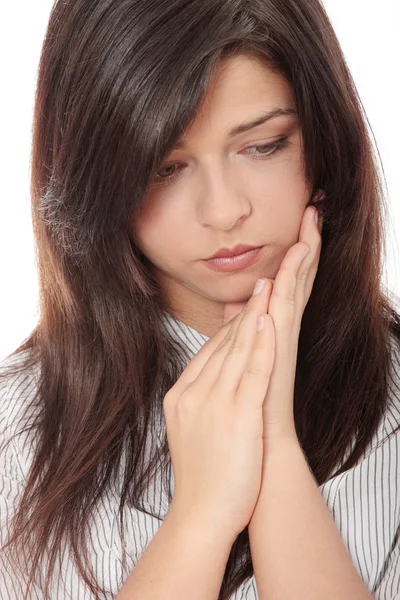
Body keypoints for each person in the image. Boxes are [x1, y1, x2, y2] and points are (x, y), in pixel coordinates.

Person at [1, 0, 399, 598]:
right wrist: (201, 517)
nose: (224, 211)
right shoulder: (18, 434)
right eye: (165, 167)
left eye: (263, 145)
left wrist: (275, 444)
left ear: (324, 137)